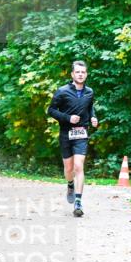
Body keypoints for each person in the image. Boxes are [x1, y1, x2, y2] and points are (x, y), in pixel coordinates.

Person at [47, 60, 98, 217]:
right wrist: (68, 118)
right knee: (69, 169)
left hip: (81, 133)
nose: (80, 74)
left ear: (86, 74)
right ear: (72, 74)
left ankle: (78, 202)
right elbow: (51, 110)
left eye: (83, 72)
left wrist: (93, 117)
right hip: (66, 134)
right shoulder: (62, 91)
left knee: (78, 166)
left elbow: (90, 107)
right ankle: (70, 184)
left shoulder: (89, 92)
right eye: (78, 72)